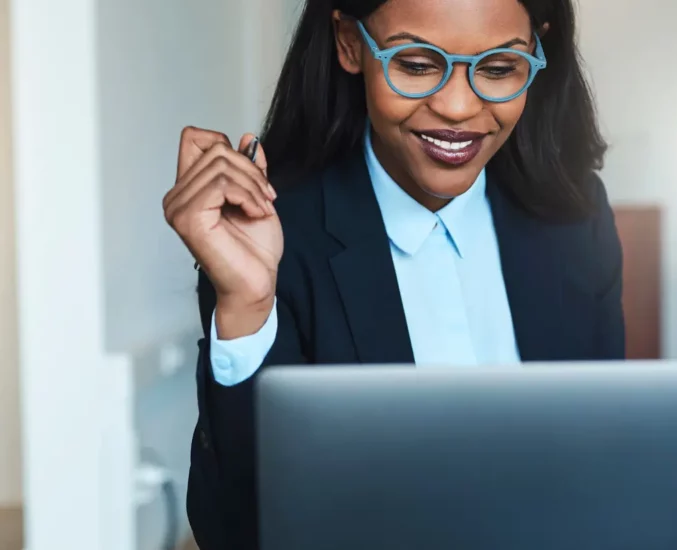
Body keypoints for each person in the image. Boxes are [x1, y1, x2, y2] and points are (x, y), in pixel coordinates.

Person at [163, 0, 624, 547]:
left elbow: (604, 469)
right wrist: (247, 303)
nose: (457, 107)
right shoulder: (272, 236)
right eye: (416, 64)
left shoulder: (576, 217)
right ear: (350, 44)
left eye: (499, 68)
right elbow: (239, 531)